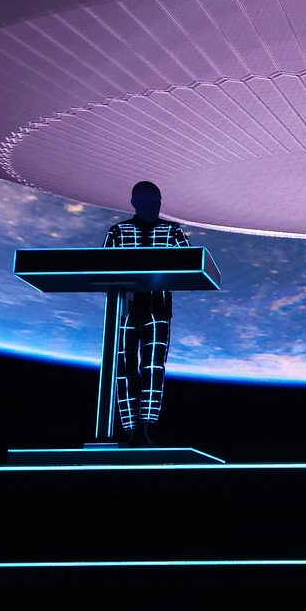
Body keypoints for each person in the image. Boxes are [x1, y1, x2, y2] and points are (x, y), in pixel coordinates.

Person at [105, 180, 188, 446]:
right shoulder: (118, 232)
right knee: (124, 368)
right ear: (134, 203)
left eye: (158, 200)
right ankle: (131, 429)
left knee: (153, 367)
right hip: (124, 310)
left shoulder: (173, 231)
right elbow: (101, 266)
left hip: (158, 309)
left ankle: (148, 427)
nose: (155, 205)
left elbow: (190, 263)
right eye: (150, 200)